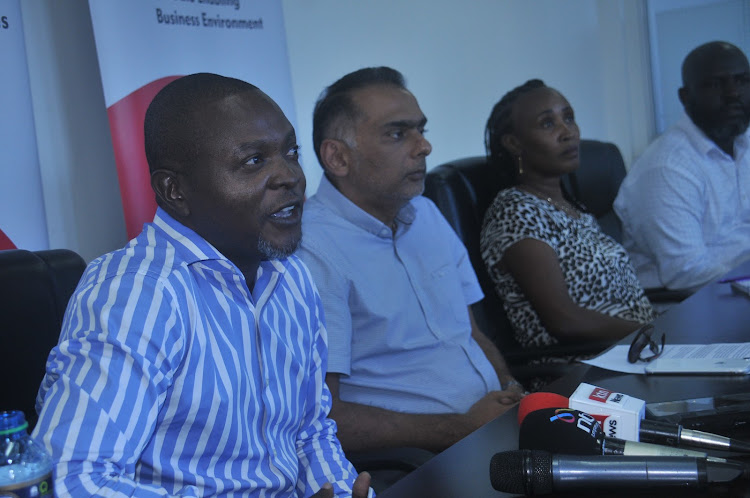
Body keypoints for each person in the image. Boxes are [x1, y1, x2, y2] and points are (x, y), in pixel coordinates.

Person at [31, 73, 371, 498]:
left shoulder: (291, 277)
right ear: (175, 190)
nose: (291, 178)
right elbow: (71, 480)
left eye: (291, 152)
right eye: (253, 161)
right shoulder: (139, 295)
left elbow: (308, 433)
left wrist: (343, 492)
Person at [296, 66, 524, 456]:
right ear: (337, 157)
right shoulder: (310, 250)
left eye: (422, 130)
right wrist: (460, 429)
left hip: (491, 431)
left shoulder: (428, 215)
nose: (424, 147)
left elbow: (468, 333)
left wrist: (508, 387)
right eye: (398, 133)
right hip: (420, 460)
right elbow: (321, 415)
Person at [480, 79, 654, 357]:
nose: (568, 132)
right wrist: (651, 331)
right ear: (514, 143)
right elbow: (565, 321)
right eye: (548, 124)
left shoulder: (574, 208)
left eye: (569, 118)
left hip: (634, 351)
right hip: (584, 367)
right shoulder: (514, 212)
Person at [614, 41, 750, 291]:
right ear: (685, 97)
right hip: (685, 309)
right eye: (715, 84)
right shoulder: (667, 168)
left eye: (742, 81)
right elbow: (687, 273)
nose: (733, 93)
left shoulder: (743, 145)